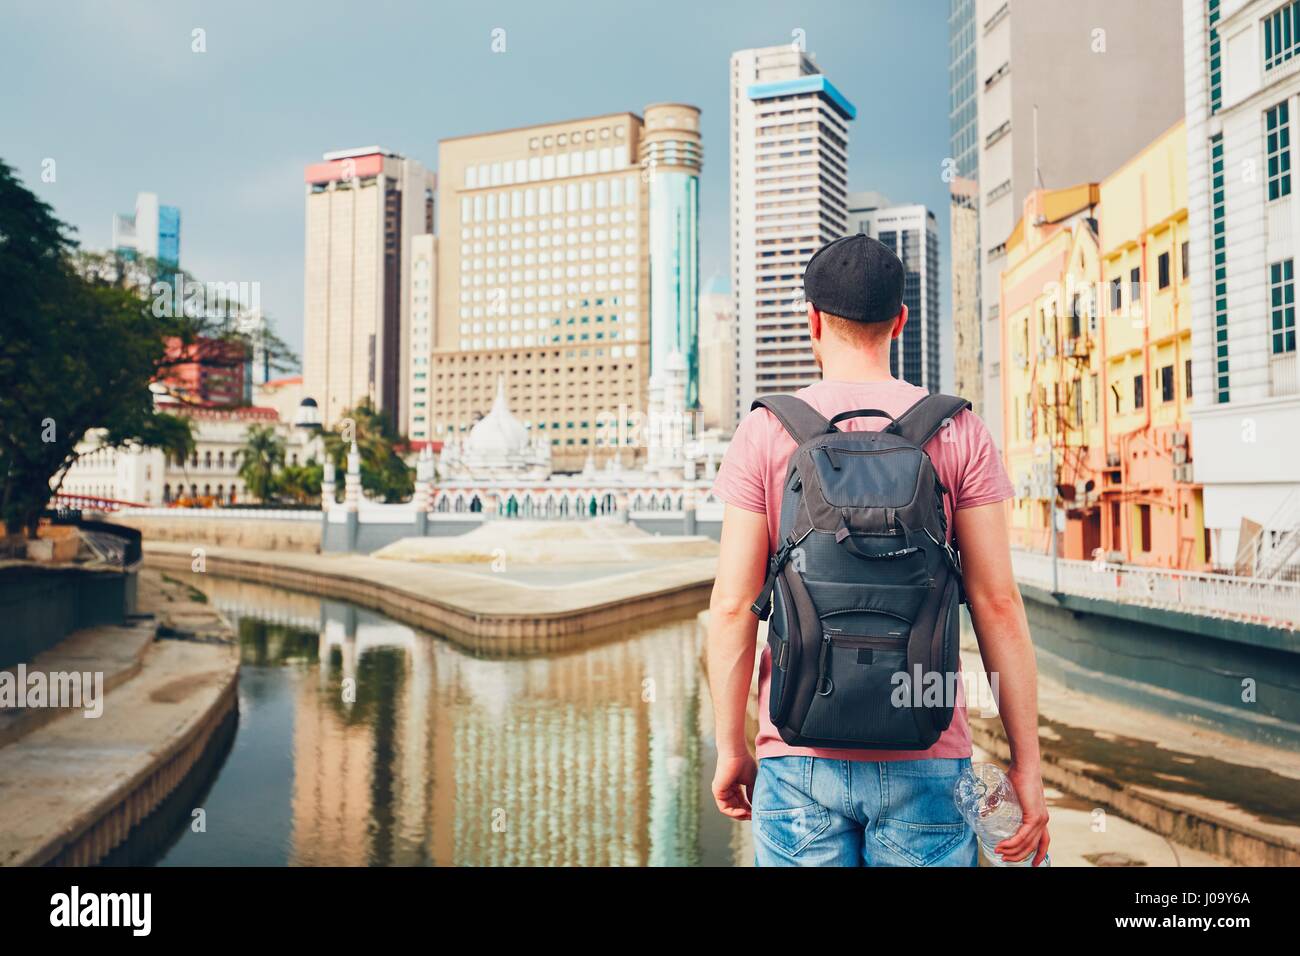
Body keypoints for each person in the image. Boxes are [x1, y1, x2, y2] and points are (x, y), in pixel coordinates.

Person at [706, 234, 1050, 867]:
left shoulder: (764, 431)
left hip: (797, 754)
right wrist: (1027, 767)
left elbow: (732, 608)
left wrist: (732, 747)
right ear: (900, 319)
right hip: (926, 753)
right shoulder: (958, 429)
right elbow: (997, 603)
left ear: (811, 319)